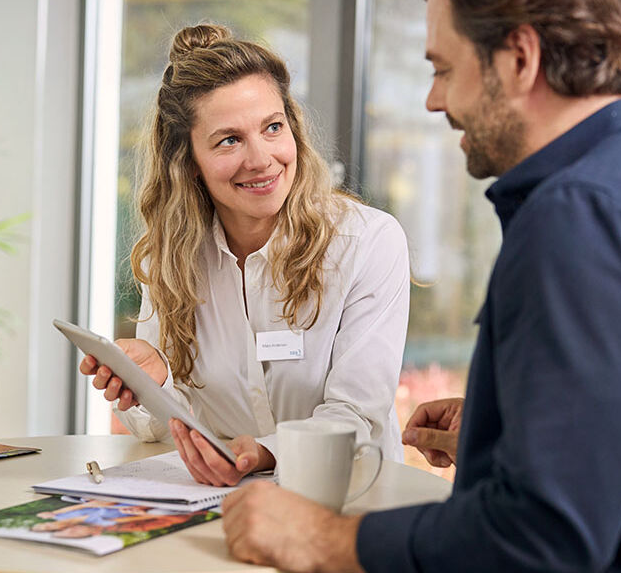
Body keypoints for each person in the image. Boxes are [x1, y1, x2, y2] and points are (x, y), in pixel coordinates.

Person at [220, 0, 621, 571]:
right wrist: (524, 429)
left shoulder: (579, 218)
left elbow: (539, 539)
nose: (434, 99)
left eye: (443, 69)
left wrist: (322, 539)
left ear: (519, 58)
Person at [80, 24, 410, 487]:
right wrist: (154, 384)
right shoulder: (170, 259)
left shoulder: (368, 242)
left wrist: (264, 452)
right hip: (223, 504)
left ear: (293, 129)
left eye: (272, 128)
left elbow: (356, 414)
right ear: (188, 161)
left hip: (349, 498)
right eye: (229, 140)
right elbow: (162, 430)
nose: (260, 159)